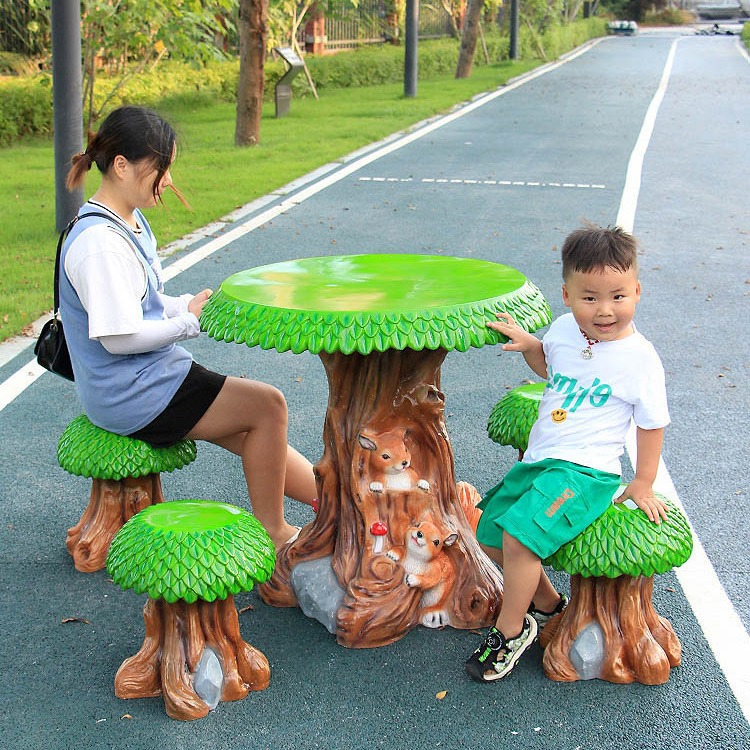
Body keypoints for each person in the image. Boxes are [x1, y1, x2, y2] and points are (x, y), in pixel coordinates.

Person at [59, 105, 316, 551]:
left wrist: (184, 304)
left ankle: (333, 505)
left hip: (148, 377)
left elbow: (143, 303)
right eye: (161, 168)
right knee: (268, 406)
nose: (168, 181)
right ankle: (275, 534)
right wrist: (187, 323)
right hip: (130, 393)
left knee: (251, 427)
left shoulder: (126, 221)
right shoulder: (100, 245)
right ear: (121, 166)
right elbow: (118, 338)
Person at [465, 223, 670, 683]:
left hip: (584, 473)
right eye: (590, 297)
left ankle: (510, 631)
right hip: (541, 462)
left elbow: (652, 422)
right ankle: (547, 604)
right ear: (567, 295)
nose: (605, 310)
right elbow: (553, 367)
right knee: (490, 533)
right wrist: (530, 346)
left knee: (521, 539)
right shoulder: (563, 330)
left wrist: (643, 481)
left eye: (618, 296)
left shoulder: (640, 358)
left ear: (637, 291)